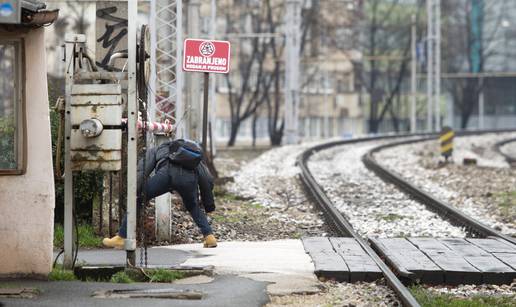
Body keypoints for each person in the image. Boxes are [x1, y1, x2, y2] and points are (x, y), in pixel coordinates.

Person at [102, 139, 217, 249]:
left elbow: (143, 169)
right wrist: (209, 205)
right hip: (188, 180)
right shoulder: (193, 157)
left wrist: (135, 191)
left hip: (165, 176)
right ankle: (209, 236)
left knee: (137, 199)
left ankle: (122, 236)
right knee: (193, 206)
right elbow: (206, 179)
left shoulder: (157, 149)